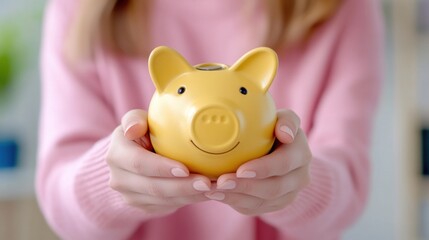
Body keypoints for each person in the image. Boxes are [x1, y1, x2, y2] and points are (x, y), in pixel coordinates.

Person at [36, 0, 383, 239]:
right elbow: (59, 200)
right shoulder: (82, 9)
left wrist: (298, 185)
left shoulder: (342, 7)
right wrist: (112, 184)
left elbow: (349, 184)